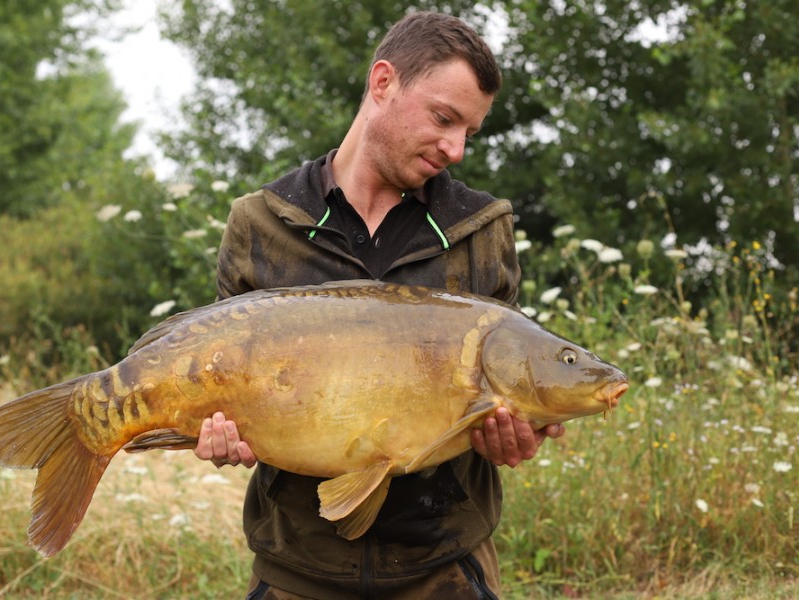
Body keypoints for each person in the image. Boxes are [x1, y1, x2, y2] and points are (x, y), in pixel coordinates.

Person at [194, 11, 564, 599]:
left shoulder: (482, 228)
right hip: (297, 568)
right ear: (383, 82)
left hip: (443, 567)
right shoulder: (260, 222)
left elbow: (505, 390)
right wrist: (222, 432)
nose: (457, 149)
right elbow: (222, 380)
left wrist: (516, 435)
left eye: (469, 131)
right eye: (445, 119)